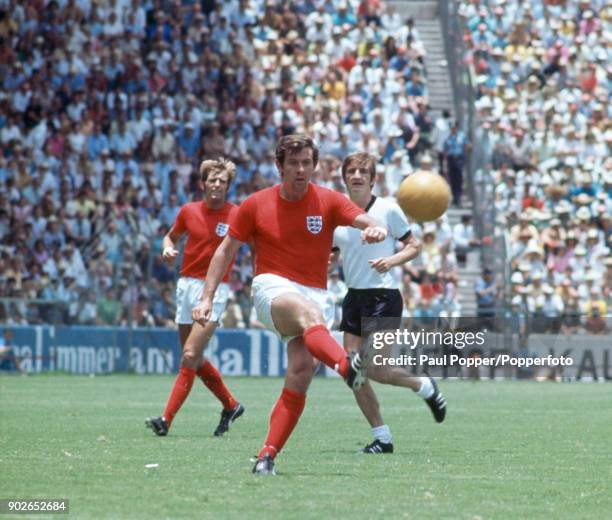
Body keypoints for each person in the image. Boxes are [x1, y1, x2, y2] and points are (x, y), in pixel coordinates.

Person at [192, 135, 388, 475]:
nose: (301, 170)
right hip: (271, 288)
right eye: (294, 163)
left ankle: (266, 456)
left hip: (313, 294)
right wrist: (206, 296)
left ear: (314, 165)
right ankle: (347, 368)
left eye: (307, 163)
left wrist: (377, 231)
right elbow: (225, 250)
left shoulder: (328, 200)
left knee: (300, 372)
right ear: (279, 167)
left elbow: (369, 220)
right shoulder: (255, 204)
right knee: (308, 315)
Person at [331, 152, 447, 454]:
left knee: (374, 367)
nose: (356, 175)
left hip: (384, 297)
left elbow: (414, 246)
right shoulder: (336, 213)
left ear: (373, 178)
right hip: (354, 297)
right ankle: (382, 438)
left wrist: (390, 261)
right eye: (351, 171)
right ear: (344, 177)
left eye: (363, 171)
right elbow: (330, 253)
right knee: (353, 373)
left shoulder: (388, 210)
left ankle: (423, 385)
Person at [146, 158, 244, 437]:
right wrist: (167, 249)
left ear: (228, 187)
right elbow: (170, 237)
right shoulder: (189, 211)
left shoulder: (237, 214)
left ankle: (165, 420)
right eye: (212, 180)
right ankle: (231, 405)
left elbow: (258, 244)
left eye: (222, 181)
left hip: (215, 290)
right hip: (186, 287)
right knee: (194, 357)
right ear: (203, 184)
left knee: (189, 354)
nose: (216, 184)